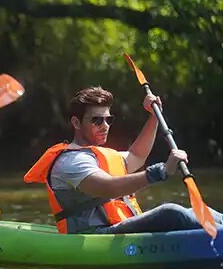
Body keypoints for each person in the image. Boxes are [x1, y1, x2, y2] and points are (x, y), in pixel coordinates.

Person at [24, 86, 223, 234]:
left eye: (108, 119)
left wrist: (154, 117)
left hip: (117, 228)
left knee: (203, 211)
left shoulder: (100, 156)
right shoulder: (70, 162)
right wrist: (161, 171)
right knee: (169, 212)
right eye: (96, 120)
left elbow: (136, 156)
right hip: (94, 237)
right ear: (76, 122)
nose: (105, 126)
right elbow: (109, 188)